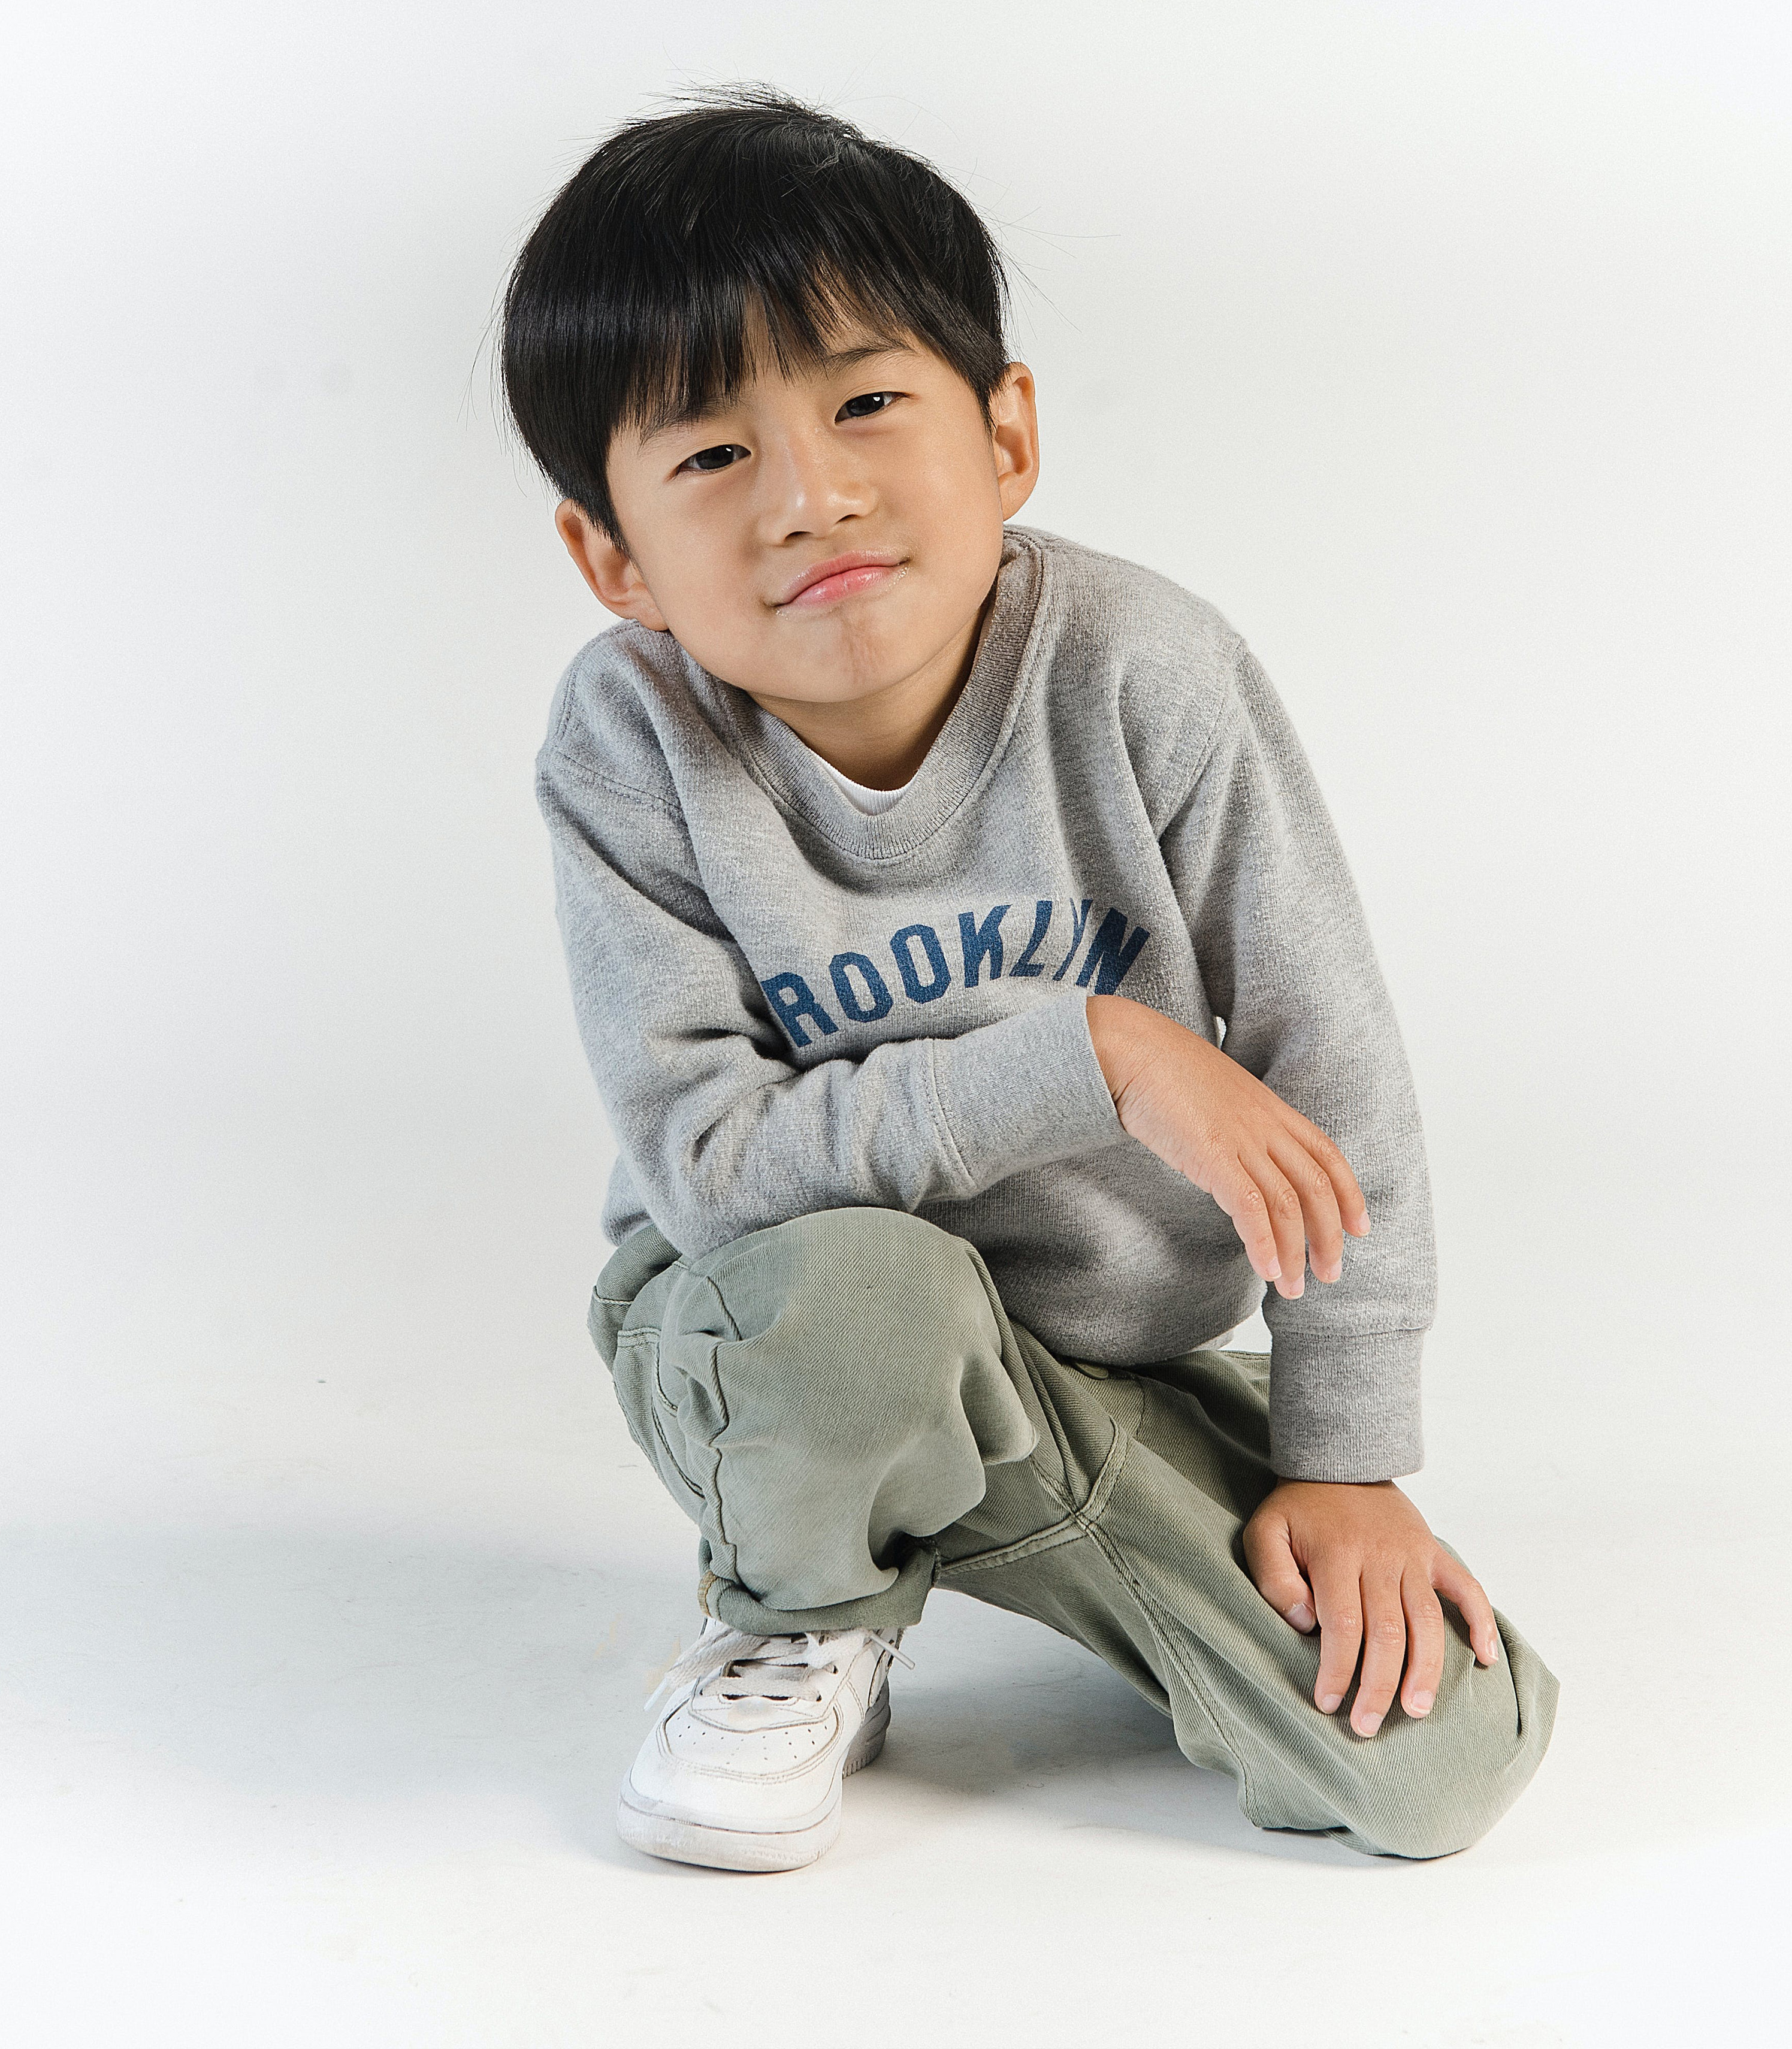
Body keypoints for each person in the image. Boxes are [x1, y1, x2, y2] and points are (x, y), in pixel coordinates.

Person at [501, 90, 1558, 1873]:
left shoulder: (1145, 671)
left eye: (863, 405)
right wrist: (1096, 1055)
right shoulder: (635, 741)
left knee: (1439, 1762)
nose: (811, 496)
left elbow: (1332, 1070)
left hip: (1081, 1362)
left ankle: (975, 1521)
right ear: (613, 558)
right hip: (767, 1327)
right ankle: (804, 1598)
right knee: (864, 1300)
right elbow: (718, 1168)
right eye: (711, 454)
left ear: (1004, 434)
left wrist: (1343, 1454)